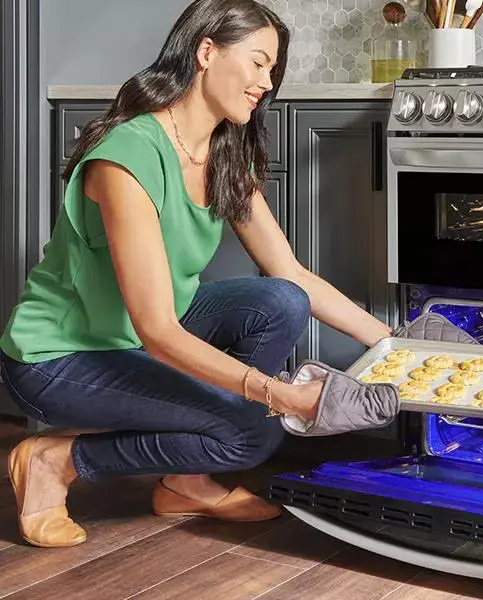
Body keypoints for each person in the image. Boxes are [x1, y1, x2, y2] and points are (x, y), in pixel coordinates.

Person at [0, 0, 396, 549]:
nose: (267, 81)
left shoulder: (224, 153)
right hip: (62, 357)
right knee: (251, 431)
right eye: (258, 62)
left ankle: (185, 481)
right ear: (206, 51)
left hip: (142, 338)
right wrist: (276, 395)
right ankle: (53, 460)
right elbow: (158, 331)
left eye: (272, 69)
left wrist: (393, 344)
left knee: (279, 299)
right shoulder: (126, 158)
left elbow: (291, 274)